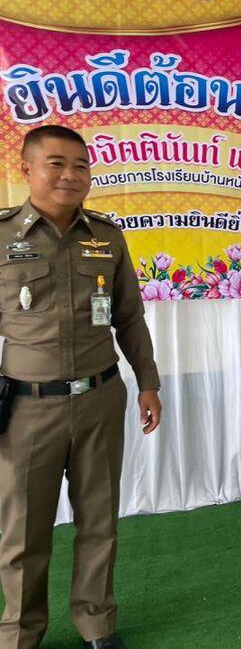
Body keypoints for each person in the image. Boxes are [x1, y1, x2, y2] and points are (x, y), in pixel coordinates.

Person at [0, 125, 161, 649]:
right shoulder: (3, 237)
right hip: (27, 408)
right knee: (24, 532)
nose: (70, 175)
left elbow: (129, 316)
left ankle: (98, 625)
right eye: (56, 163)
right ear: (27, 169)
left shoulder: (107, 236)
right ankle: (20, 633)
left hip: (100, 398)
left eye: (81, 165)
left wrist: (148, 383)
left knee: (99, 520)